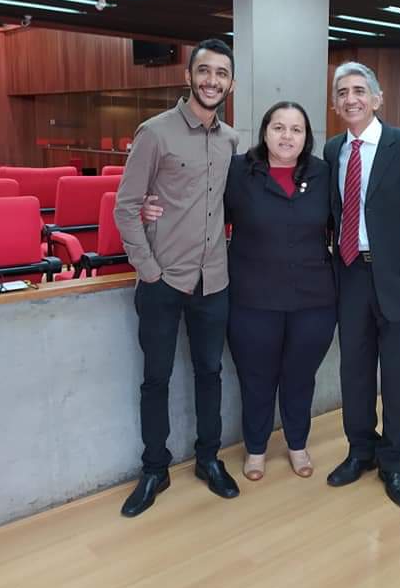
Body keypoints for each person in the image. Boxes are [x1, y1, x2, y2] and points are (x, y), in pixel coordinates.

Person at [144, 102, 336, 481]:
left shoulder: (324, 174)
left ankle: (298, 444)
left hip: (313, 298)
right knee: (255, 377)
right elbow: (202, 210)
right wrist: (152, 204)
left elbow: (346, 219)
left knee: (300, 376)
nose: (286, 136)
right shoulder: (238, 171)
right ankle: (257, 448)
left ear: (306, 137)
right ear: (264, 132)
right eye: (278, 127)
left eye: (295, 129)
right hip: (253, 297)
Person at [114, 38, 240, 518]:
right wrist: (150, 270)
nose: (212, 81)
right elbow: (126, 207)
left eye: (222, 74)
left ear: (231, 82)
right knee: (156, 378)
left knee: (210, 373)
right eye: (204, 72)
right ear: (189, 76)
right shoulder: (155, 132)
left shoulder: (231, 140)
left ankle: (208, 458)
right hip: (164, 281)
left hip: (215, 282)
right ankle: (154, 468)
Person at [324, 62, 400, 508]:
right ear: (335, 104)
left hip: (398, 281)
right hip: (349, 276)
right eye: (342, 92)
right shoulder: (332, 149)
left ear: (377, 99)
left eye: (359, 90)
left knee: (396, 376)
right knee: (353, 370)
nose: (350, 98)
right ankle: (361, 451)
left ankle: (393, 462)